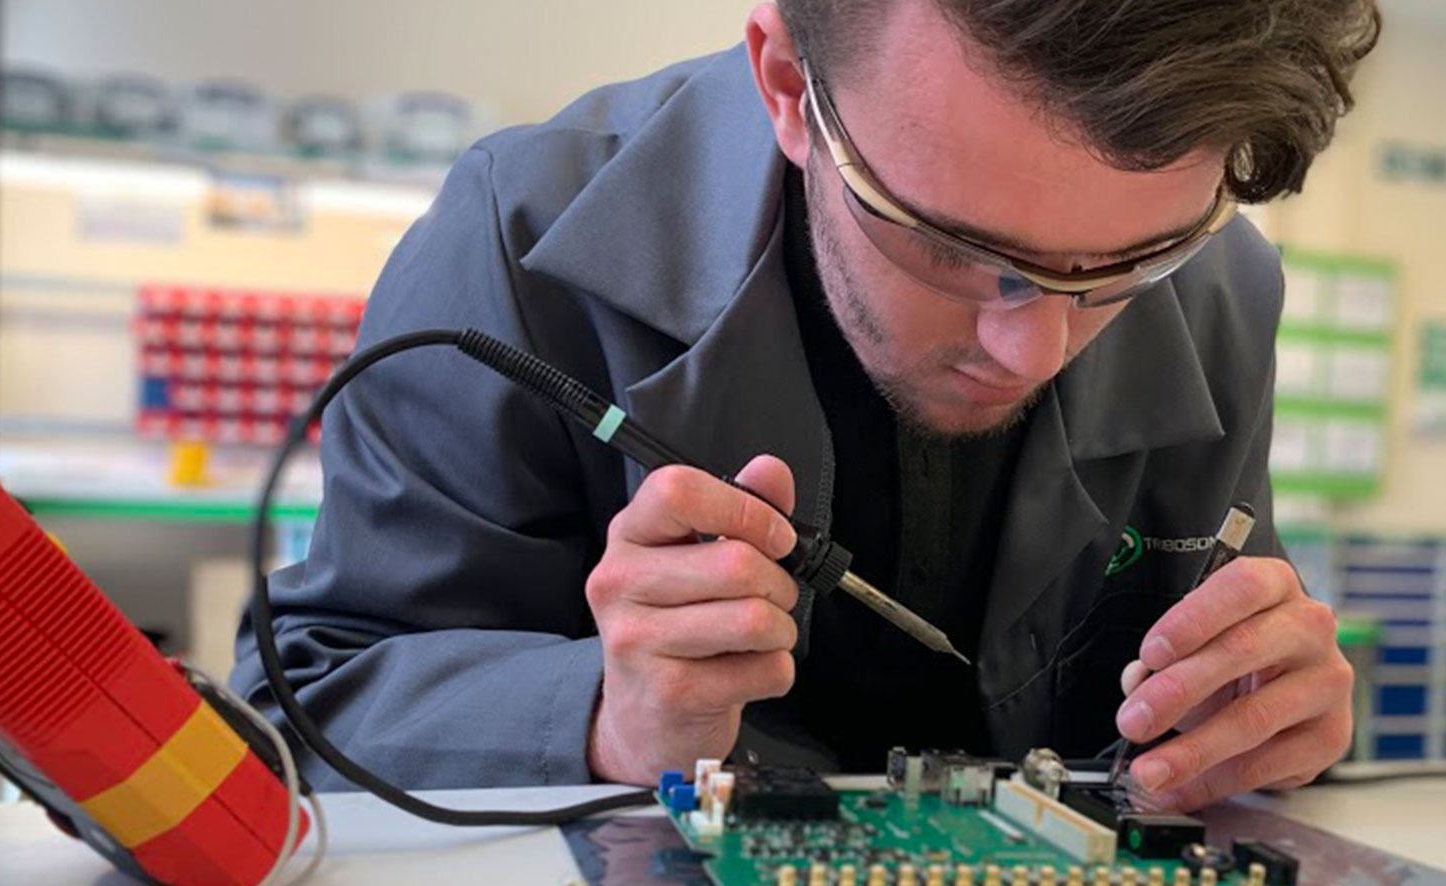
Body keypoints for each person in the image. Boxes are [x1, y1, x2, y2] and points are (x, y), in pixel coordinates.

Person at [231, 0, 1382, 812]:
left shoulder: (1224, 287)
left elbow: (1235, 675)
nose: (1031, 346)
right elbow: (310, 702)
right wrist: (602, 718)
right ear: (789, 84)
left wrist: (1273, 722)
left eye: (1129, 262)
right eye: (950, 243)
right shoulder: (520, 234)